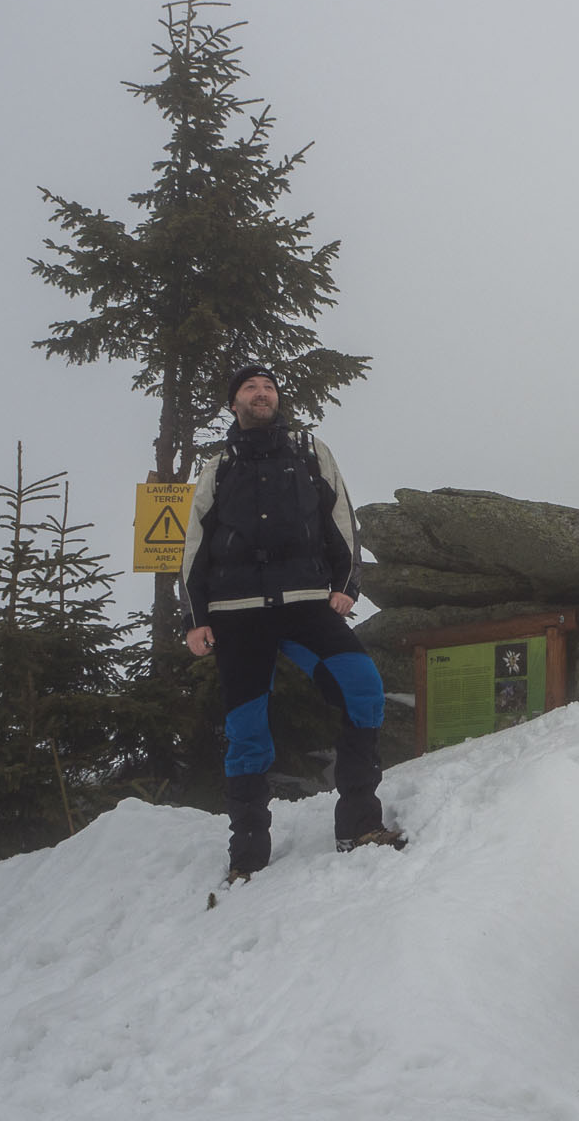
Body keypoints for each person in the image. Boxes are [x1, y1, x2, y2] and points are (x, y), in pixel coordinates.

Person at [180, 363, 401, 879]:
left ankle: (359, 825)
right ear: (233, 403)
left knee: (364, 689)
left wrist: (347, 586)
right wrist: (195, 618)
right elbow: (194, 546)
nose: (262, 393)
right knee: (248, 733)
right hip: (236, 616)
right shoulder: (219, 466)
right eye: (251, 388)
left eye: (269, 387)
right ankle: (248, 858)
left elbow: (342, 519)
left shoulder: (308, 450)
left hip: (306, 603)